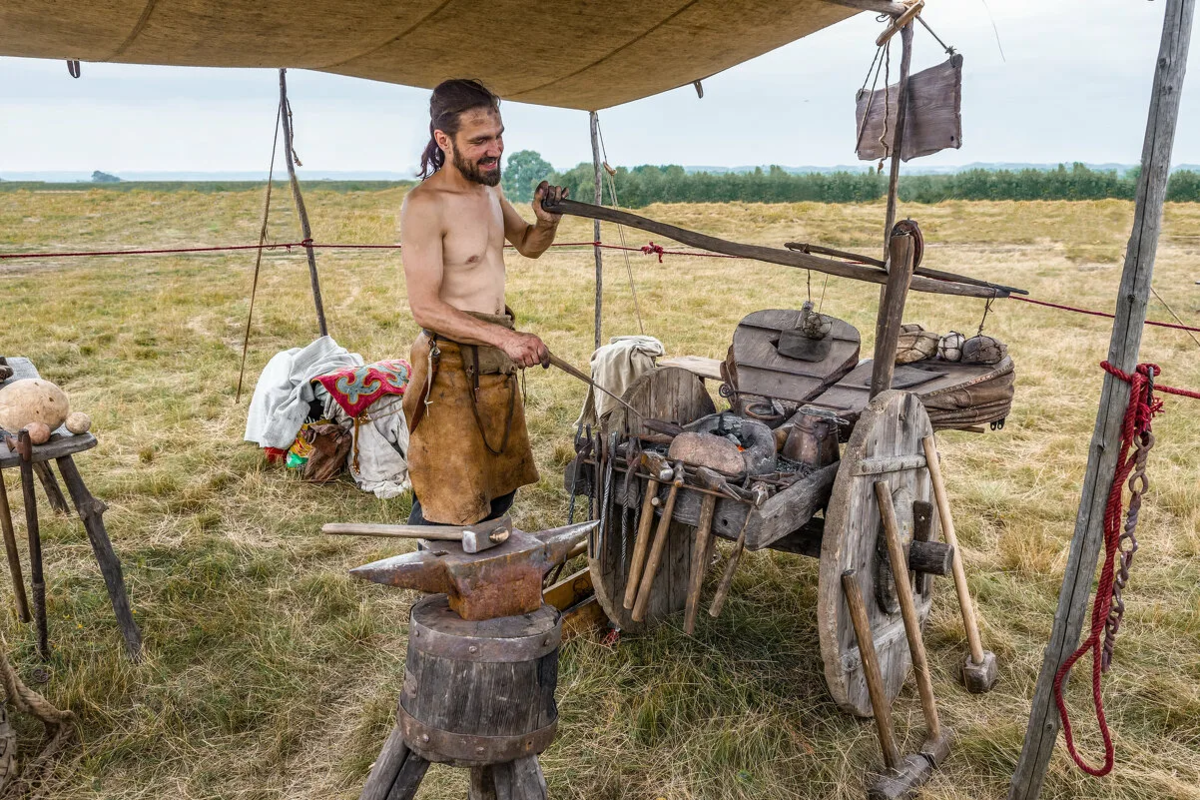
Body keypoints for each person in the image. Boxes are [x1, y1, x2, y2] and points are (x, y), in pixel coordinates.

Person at [399, 78, 568, 525]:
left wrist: (545, 221)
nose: (495, 150)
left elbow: (529, 244)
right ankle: (437, 588)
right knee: (449, 499)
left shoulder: (489, 190)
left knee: (498, 490)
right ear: (443, 140)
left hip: (496, 364)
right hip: (450, 369)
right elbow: (425, 307)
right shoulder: (424, 205)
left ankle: (487, 584)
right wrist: (505, 338)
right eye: (480, 141)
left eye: (498, 136)